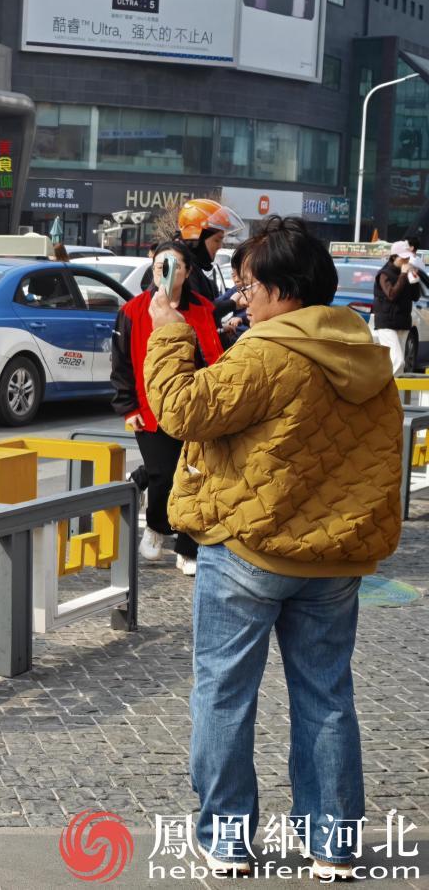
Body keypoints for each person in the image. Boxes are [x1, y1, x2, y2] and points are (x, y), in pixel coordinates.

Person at [143, 216, 402, 880]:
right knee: (326, 696)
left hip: (249, 553)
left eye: (249, 286)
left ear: (285, 289)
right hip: (333, 558)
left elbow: (182, 409)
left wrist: (168, 328)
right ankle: (334, 844)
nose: (243, 298)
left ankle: (229, 839)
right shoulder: (367, 356)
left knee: (224, 694)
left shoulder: (267, 352)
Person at [111, 243, 223, 575]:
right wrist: (128, 406)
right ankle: (157, 525)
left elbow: (213, 354)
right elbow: (121, 362)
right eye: (161, 265)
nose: (166, 271)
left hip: (195, 405)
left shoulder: (202, 307)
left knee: (194, 475)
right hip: (150, 408)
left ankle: (187, 548)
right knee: (163, 475)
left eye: (175, 265)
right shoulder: (133, 310)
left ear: (187, 272)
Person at [171, 198, 244, 304]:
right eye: (217, 240)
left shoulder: (191, 267)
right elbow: (197, 310)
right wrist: (231, 304)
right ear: (197, 239)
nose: (220, 246)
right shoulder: (182, 271)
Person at [371, 239, 424, 375]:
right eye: (403, 258)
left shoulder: (406, 273)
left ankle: (392, 387)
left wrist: (415, 280)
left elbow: (415, 297)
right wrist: (403, 275)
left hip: (403, 322)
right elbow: (391, 295)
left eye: (408, 258)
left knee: (396, 363)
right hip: (386, 324)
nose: (406, 261)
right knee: (398, 361)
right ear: (394, 257)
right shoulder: (384, 274)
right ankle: (384, 385)